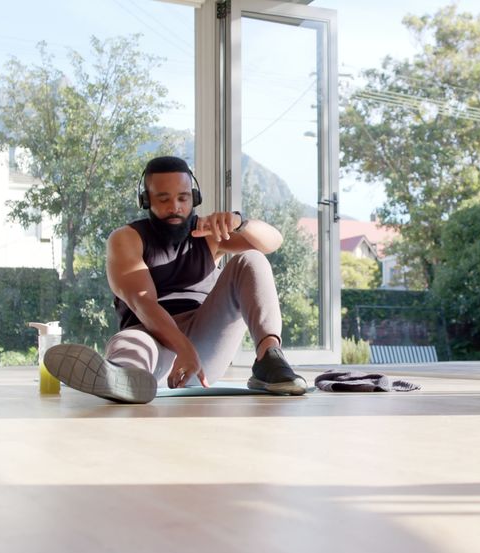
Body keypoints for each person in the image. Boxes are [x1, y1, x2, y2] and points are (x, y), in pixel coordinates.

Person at [43, 156, 308, 403]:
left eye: (183, 198)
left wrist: (239, 222)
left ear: (194, 197)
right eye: (163, 199)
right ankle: (120, 377)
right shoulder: (126, 238)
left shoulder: (208, 233)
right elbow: (142, 304)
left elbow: (273, 242)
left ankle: (268, 358)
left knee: (252, 258)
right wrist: (183, 348)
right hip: (152, 337)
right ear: (146, 200)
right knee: (131, 343)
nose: (175, 207)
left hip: (205, 338)